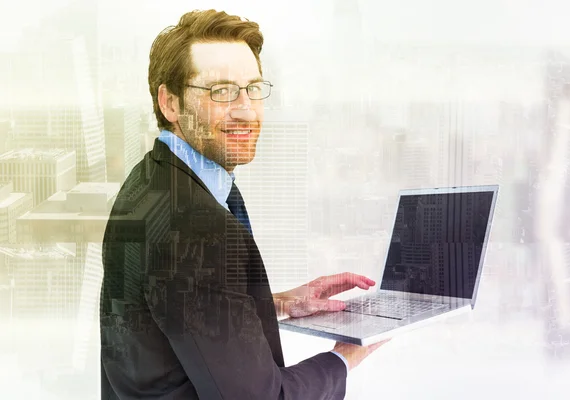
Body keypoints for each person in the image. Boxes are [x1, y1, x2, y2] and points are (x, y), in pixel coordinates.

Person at [100, 9, 389, 400]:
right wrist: (344, 357)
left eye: (253, 88)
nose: (246, 109)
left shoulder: (149, 181)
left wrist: (283, 303)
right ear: (170, 103)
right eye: (221, 91)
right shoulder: (196, 226)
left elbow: (172, 311)